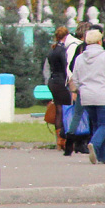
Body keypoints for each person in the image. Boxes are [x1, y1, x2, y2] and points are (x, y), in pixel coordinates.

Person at [69, 28, 105, 165]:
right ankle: (94, 144)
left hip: (87, 97)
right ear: (100, 41)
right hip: (104, 96)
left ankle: (101, 157)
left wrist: (82, 88)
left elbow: (75, 79)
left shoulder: (80, 58)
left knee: (96, 124)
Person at [44, 26, 80, 155]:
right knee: (65, 109)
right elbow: (66, 67)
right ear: (65, 36)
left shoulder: (52, 50)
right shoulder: (62, 50)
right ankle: (65, 139)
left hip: (52, 81)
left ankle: (59, 140)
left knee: (59, 108)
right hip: (60, 81)